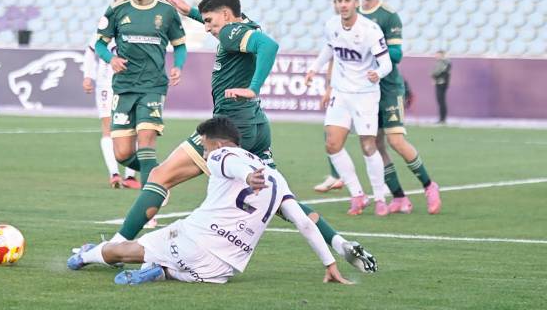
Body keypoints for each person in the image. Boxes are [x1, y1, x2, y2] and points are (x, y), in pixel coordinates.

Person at [100, 0, 374, 272]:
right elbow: (245, 32)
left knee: (159, 175)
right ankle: (340, 243)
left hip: (230, 126)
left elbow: (268, 46)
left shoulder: (230, 32)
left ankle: (115, 246)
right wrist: (190, 11)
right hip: (256, 126)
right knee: (281, 198)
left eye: (210, 21)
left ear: (227, 16)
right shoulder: (243, 24)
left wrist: (253, 88)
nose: (207, 28)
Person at [69, 117, 376, 285]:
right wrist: (330, 262)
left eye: (203, 146)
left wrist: (247, 178)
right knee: (174, 265)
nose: (203, 153)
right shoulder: (276, 177)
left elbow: (234, 166)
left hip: (192, 242)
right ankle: (159, 271)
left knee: (122, 251)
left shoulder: (221, 155)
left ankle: (85, 256)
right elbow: (304, 224)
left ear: (214, 142)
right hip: (221, 272)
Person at [94, 0, 187, 192]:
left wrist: (178, 66)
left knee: (146, 143)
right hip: (124, 87)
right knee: (123, 154)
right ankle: (158, 176)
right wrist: (111, 59)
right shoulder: (116, 10)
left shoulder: (166, 11)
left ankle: (150, 207)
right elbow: (99, 44)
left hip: (153, 86)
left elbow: (180, 45)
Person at [357, 0, 442, 215]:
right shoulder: (353, 16)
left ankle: (429, 185)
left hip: (389, 87)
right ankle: (399, 197)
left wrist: (371, 50)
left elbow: (396, 54)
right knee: (374, 144)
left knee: (395, 140)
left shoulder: (388, 16)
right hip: (364, 90)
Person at [304, 0, 392, 216]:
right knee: (332, 144)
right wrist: (314, 68)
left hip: (365, 94)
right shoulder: (331, 26)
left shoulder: (370, 30)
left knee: (368, 145)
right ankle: (357, 195)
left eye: (347, 0)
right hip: (341, 93)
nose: (342, 5)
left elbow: (386, 63)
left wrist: (378, 73)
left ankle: (380, 197)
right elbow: (330, 49)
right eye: (338, 1)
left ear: (355, 3)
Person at [83, 0, 140, 189]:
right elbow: (91, 51)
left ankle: (130, 176)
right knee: (108, 128)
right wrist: (88, 75)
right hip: (107, 84)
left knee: (135, 129)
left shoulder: (141, 28)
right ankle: (114, 173)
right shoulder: (105, 28)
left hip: (133, 85)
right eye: (119, 3)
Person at [431, 50, 451, 124]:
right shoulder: (443, 62)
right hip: (440, 83)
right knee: (440, 101)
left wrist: (432, 74)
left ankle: (442, 119)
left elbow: (436, 72)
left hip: (441, 83)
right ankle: (442, 118)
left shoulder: (444, 62)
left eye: (438, 55)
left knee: (441, 101)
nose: (436, 56)